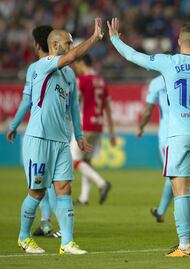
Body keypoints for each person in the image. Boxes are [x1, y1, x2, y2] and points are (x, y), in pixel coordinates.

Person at [108, 18, 190, 257]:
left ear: (179, 41)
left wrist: (115, 38)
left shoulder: (168, 62)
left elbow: (133, 56)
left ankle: (184, 245)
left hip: (179, 132)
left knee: (180, 188)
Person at [7, 18, 104, 254]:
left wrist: (79, 135)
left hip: (61, 141)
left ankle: (67, 242)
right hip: (39, 138)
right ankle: (24, 237)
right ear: (55, 45)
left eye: (72, 43)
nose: (71, 47)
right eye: (68, 43)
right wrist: (93, 38)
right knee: (38, 191)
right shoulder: (41, 65)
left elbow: (73, 107)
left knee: (64, 188)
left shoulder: (70, 76)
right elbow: (27, 101)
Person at [137, 75, 190, 223]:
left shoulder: (156, 82)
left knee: (174, 175)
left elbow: (148, 110)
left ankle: (163, 212)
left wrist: (141, 127)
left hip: (169, 136)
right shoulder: (188, 78)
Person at [6, 25, 60, 238]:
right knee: (55, 183)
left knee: (39, 183)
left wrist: (12, 126)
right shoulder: (64, 68)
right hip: (59, 133)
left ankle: (37, 228)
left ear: (37, 44)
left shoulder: (35, 68)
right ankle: (49, 223)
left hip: (38, 134)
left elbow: (26, 101)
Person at [71, 54, 115, 206]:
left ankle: (102, 183)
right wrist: (112, 132)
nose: (75, 68)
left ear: (82, 63)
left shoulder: (82, 80)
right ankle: (84, 198)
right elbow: (108, 108)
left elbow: (75, 102)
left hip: (85, 125)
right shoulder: (101, 81)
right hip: (98, 125)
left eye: (76, 64)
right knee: (86, 161)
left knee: (74, 160)